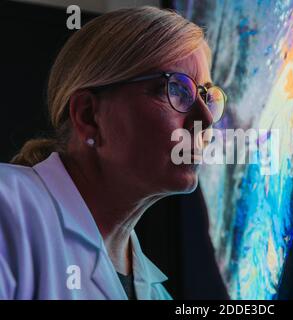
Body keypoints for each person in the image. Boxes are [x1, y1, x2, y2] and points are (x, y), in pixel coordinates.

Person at [0, 6, 226, 300]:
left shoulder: (155, 292)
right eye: (175, 89)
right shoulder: (8, 208)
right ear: (89, 116)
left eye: (206, 97)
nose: (206, 119)